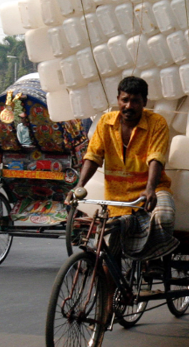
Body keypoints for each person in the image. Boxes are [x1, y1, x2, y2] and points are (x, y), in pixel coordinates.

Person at [69, 76, 178, 262]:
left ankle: (152, 262)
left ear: (144, 101)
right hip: (117, 198)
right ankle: (110, 291)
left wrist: (150, 189)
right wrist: (78, 187)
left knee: (164, 216)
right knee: (109, 252)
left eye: (135, 101)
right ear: (118, 99)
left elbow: (156, 158)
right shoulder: (106, 122)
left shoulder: (157, 123)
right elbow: (93, 156)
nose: (129, 106)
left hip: (152, 190)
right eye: (125, 100)